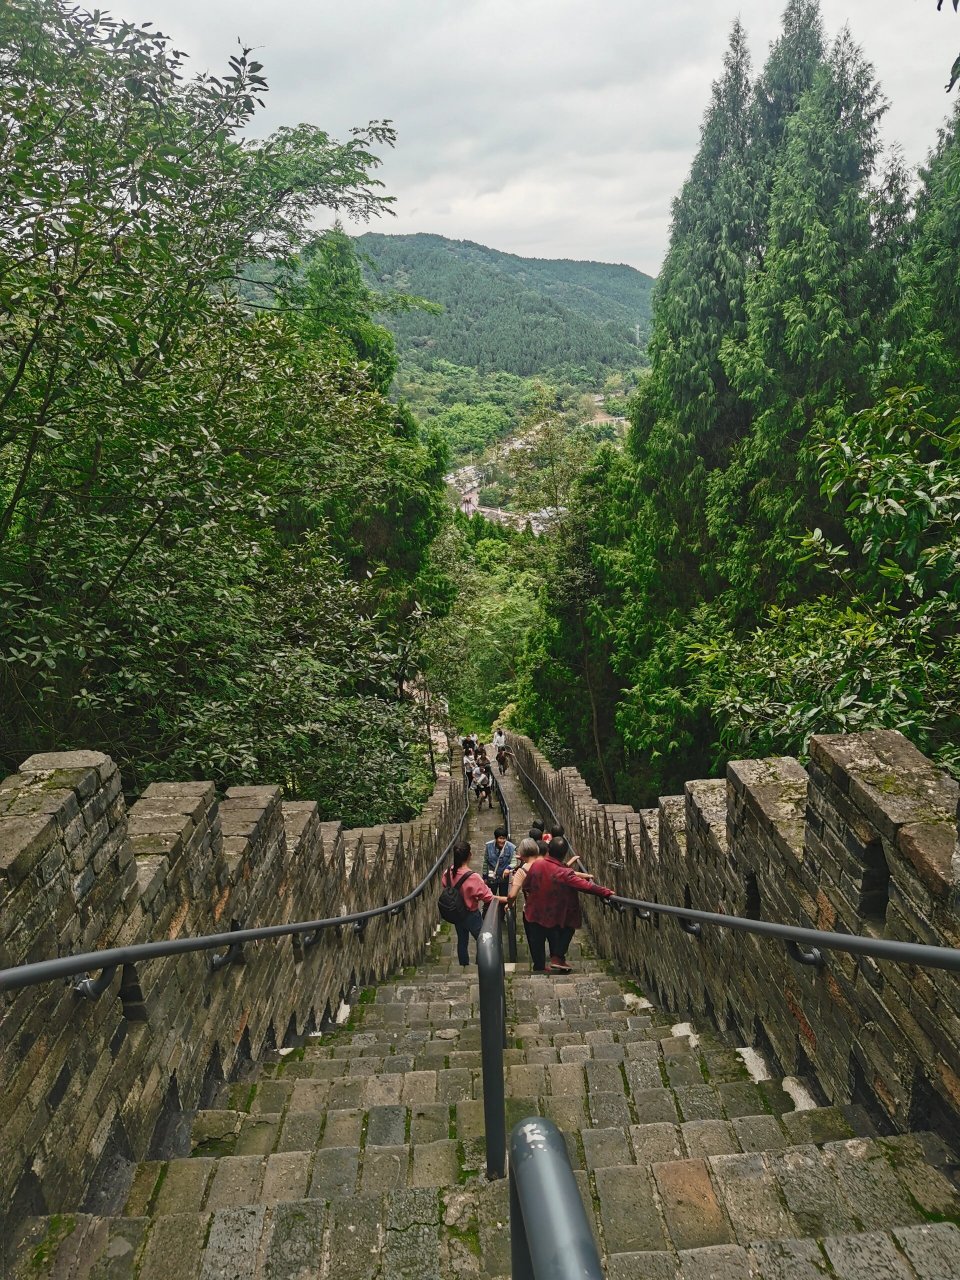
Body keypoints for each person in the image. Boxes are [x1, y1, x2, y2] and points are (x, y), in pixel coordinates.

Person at [506, 836, 613, 974]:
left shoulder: (538, 865)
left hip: (533, 913)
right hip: (554, 916)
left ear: (548, 850)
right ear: (564, 854)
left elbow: (527, 886)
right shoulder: (565, 872)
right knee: (566, 929)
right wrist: (605, 892)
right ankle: (557, 958)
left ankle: (540, 968)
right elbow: (586, 887)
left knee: (536, 945)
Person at [441, 841, 495, 967]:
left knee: (462, 940)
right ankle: (481, 964)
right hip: (471, 914)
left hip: (456, 914)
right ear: (470, 855)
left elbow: (445, 885)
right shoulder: (473, 877)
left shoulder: (447, 872)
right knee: (482, 940)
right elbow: (488, 897)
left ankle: (463, 965)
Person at [484, 826, 517, 892]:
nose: (502, 841)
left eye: (504, 838)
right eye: (500, 838)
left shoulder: (511, 847)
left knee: (504, 895)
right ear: (496, 838)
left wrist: (508, 868)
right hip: (492, 876)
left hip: (504, 876)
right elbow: (485, 862)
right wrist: (484, 877)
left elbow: (514, 862)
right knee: (490, 896)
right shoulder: (489, 846)